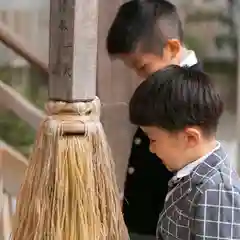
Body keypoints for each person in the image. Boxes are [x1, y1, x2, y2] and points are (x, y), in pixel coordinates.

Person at [106, 0, 201, 238]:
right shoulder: (166, 87)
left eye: (143, 67)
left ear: (171, 48)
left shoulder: (192, 95)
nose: (140, 76)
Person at [129, 65, 240, 240]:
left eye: (153, 139)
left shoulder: (216, 192)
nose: (151, 148)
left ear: (190, 138)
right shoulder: (191, 175)